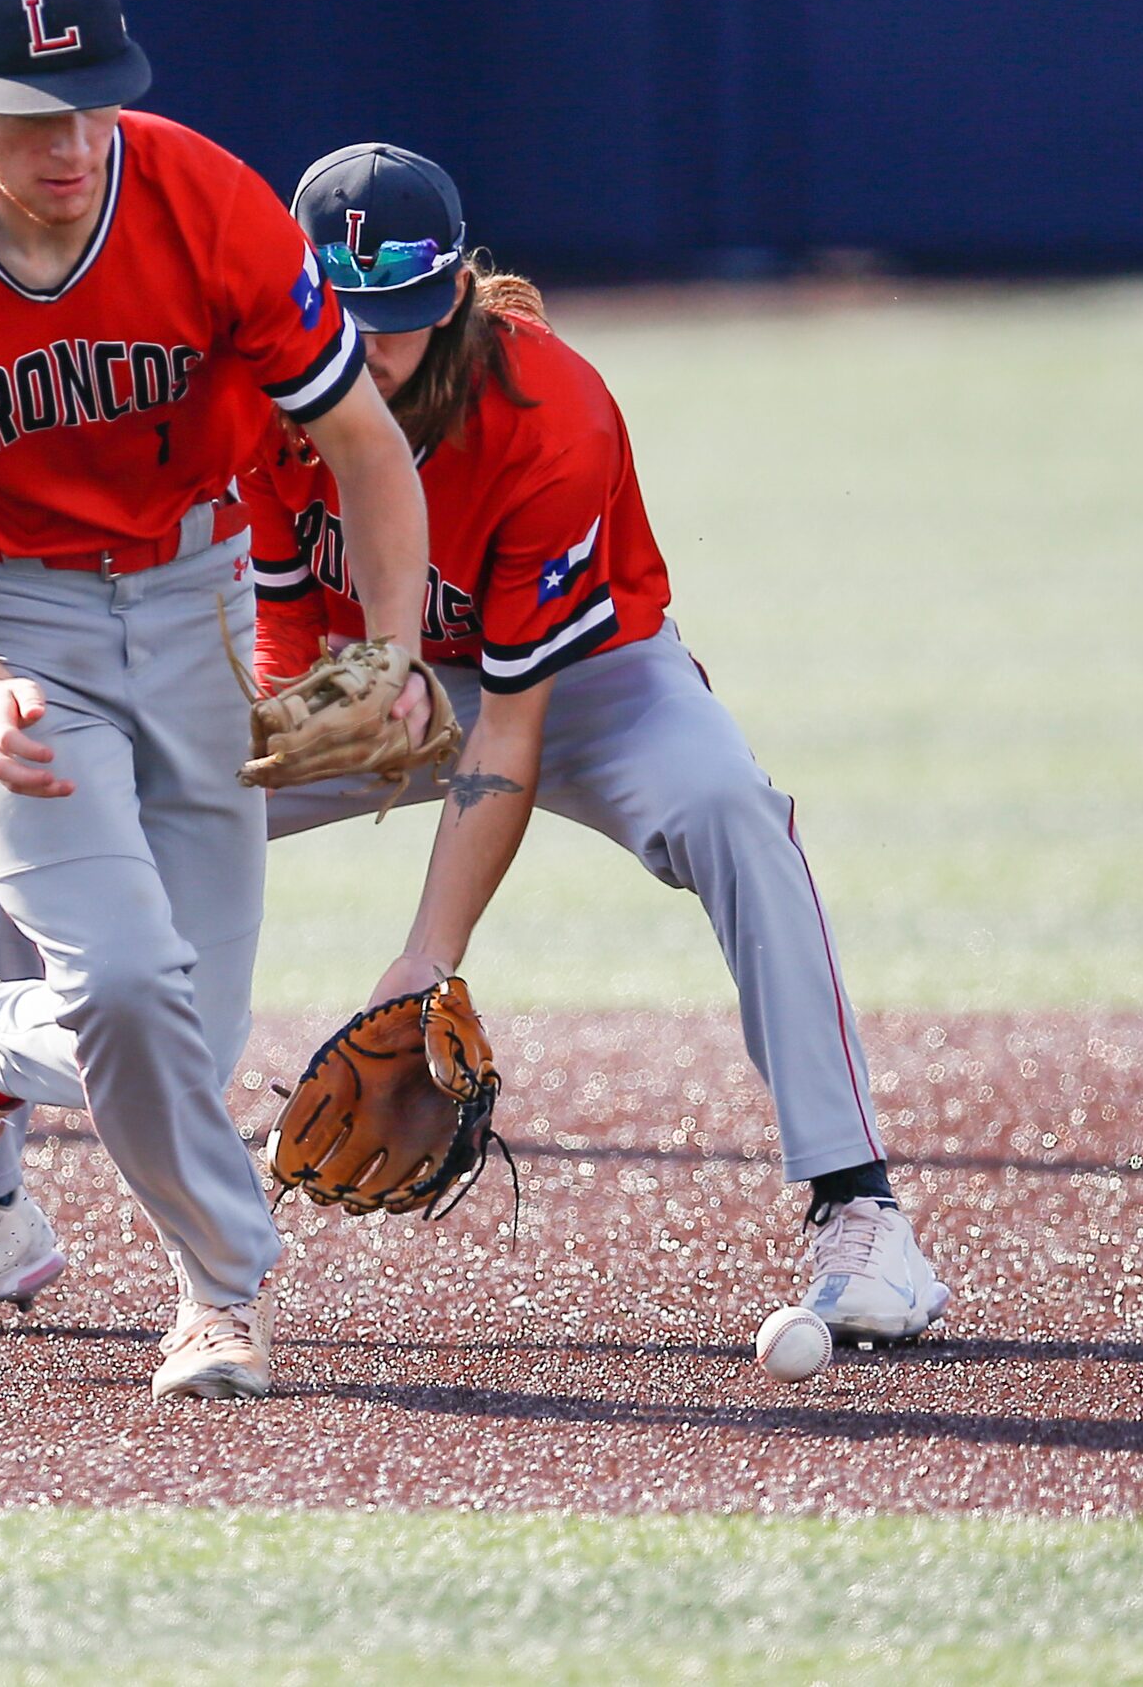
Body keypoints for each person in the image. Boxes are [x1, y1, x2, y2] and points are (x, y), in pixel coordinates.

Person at [0, 0, 434, 1399]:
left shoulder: (205, 201)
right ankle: (223, 1296)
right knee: (131, 988)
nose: (72, 143)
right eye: (30, 113)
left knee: (187, 1045)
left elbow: (362, 439)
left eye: (94, 103)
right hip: (15, 625)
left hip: (200, 600)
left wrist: (392, 648)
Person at [249, 144, 948, 1342]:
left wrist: (427, 957)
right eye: (344, 323)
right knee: (138, 787)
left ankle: (857, 1207)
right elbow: (289, 659)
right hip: (396, 674)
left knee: (731, 808)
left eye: (400, 322)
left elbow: (510, 730)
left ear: (457, 292)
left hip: (591, 683)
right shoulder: (261, 397)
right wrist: (275, 748)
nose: (369, 354)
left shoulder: (543, 410)